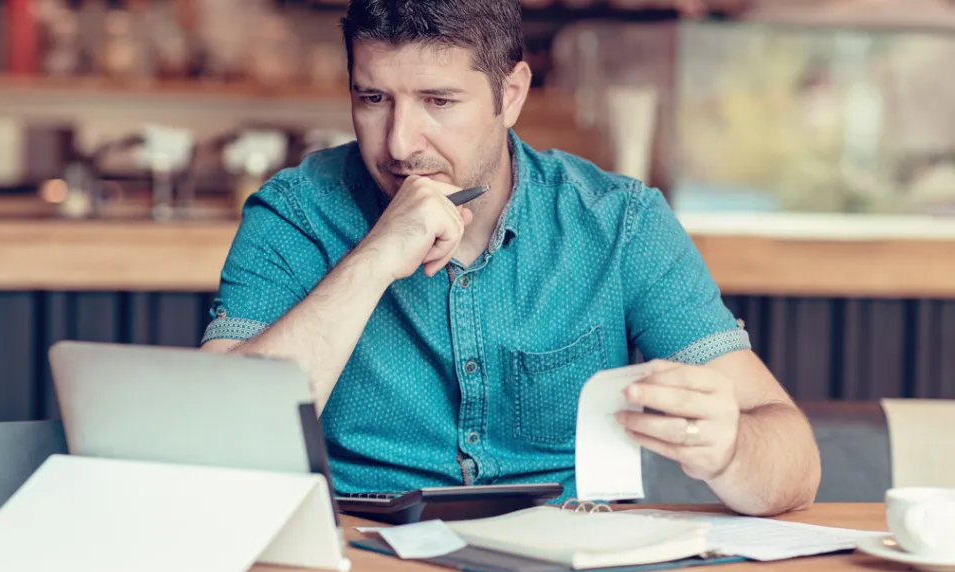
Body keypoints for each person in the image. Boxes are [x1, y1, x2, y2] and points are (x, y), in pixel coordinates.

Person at [201, 0, 820, 517]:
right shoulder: (296, 212)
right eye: (373, 98)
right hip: (363, 563)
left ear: (512, 94)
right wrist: (374, 258)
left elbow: (796, 465)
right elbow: (216, 439)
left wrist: (731, 450)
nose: (399, 144)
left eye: (439, 102)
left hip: (566, 569)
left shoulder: (619, 223)